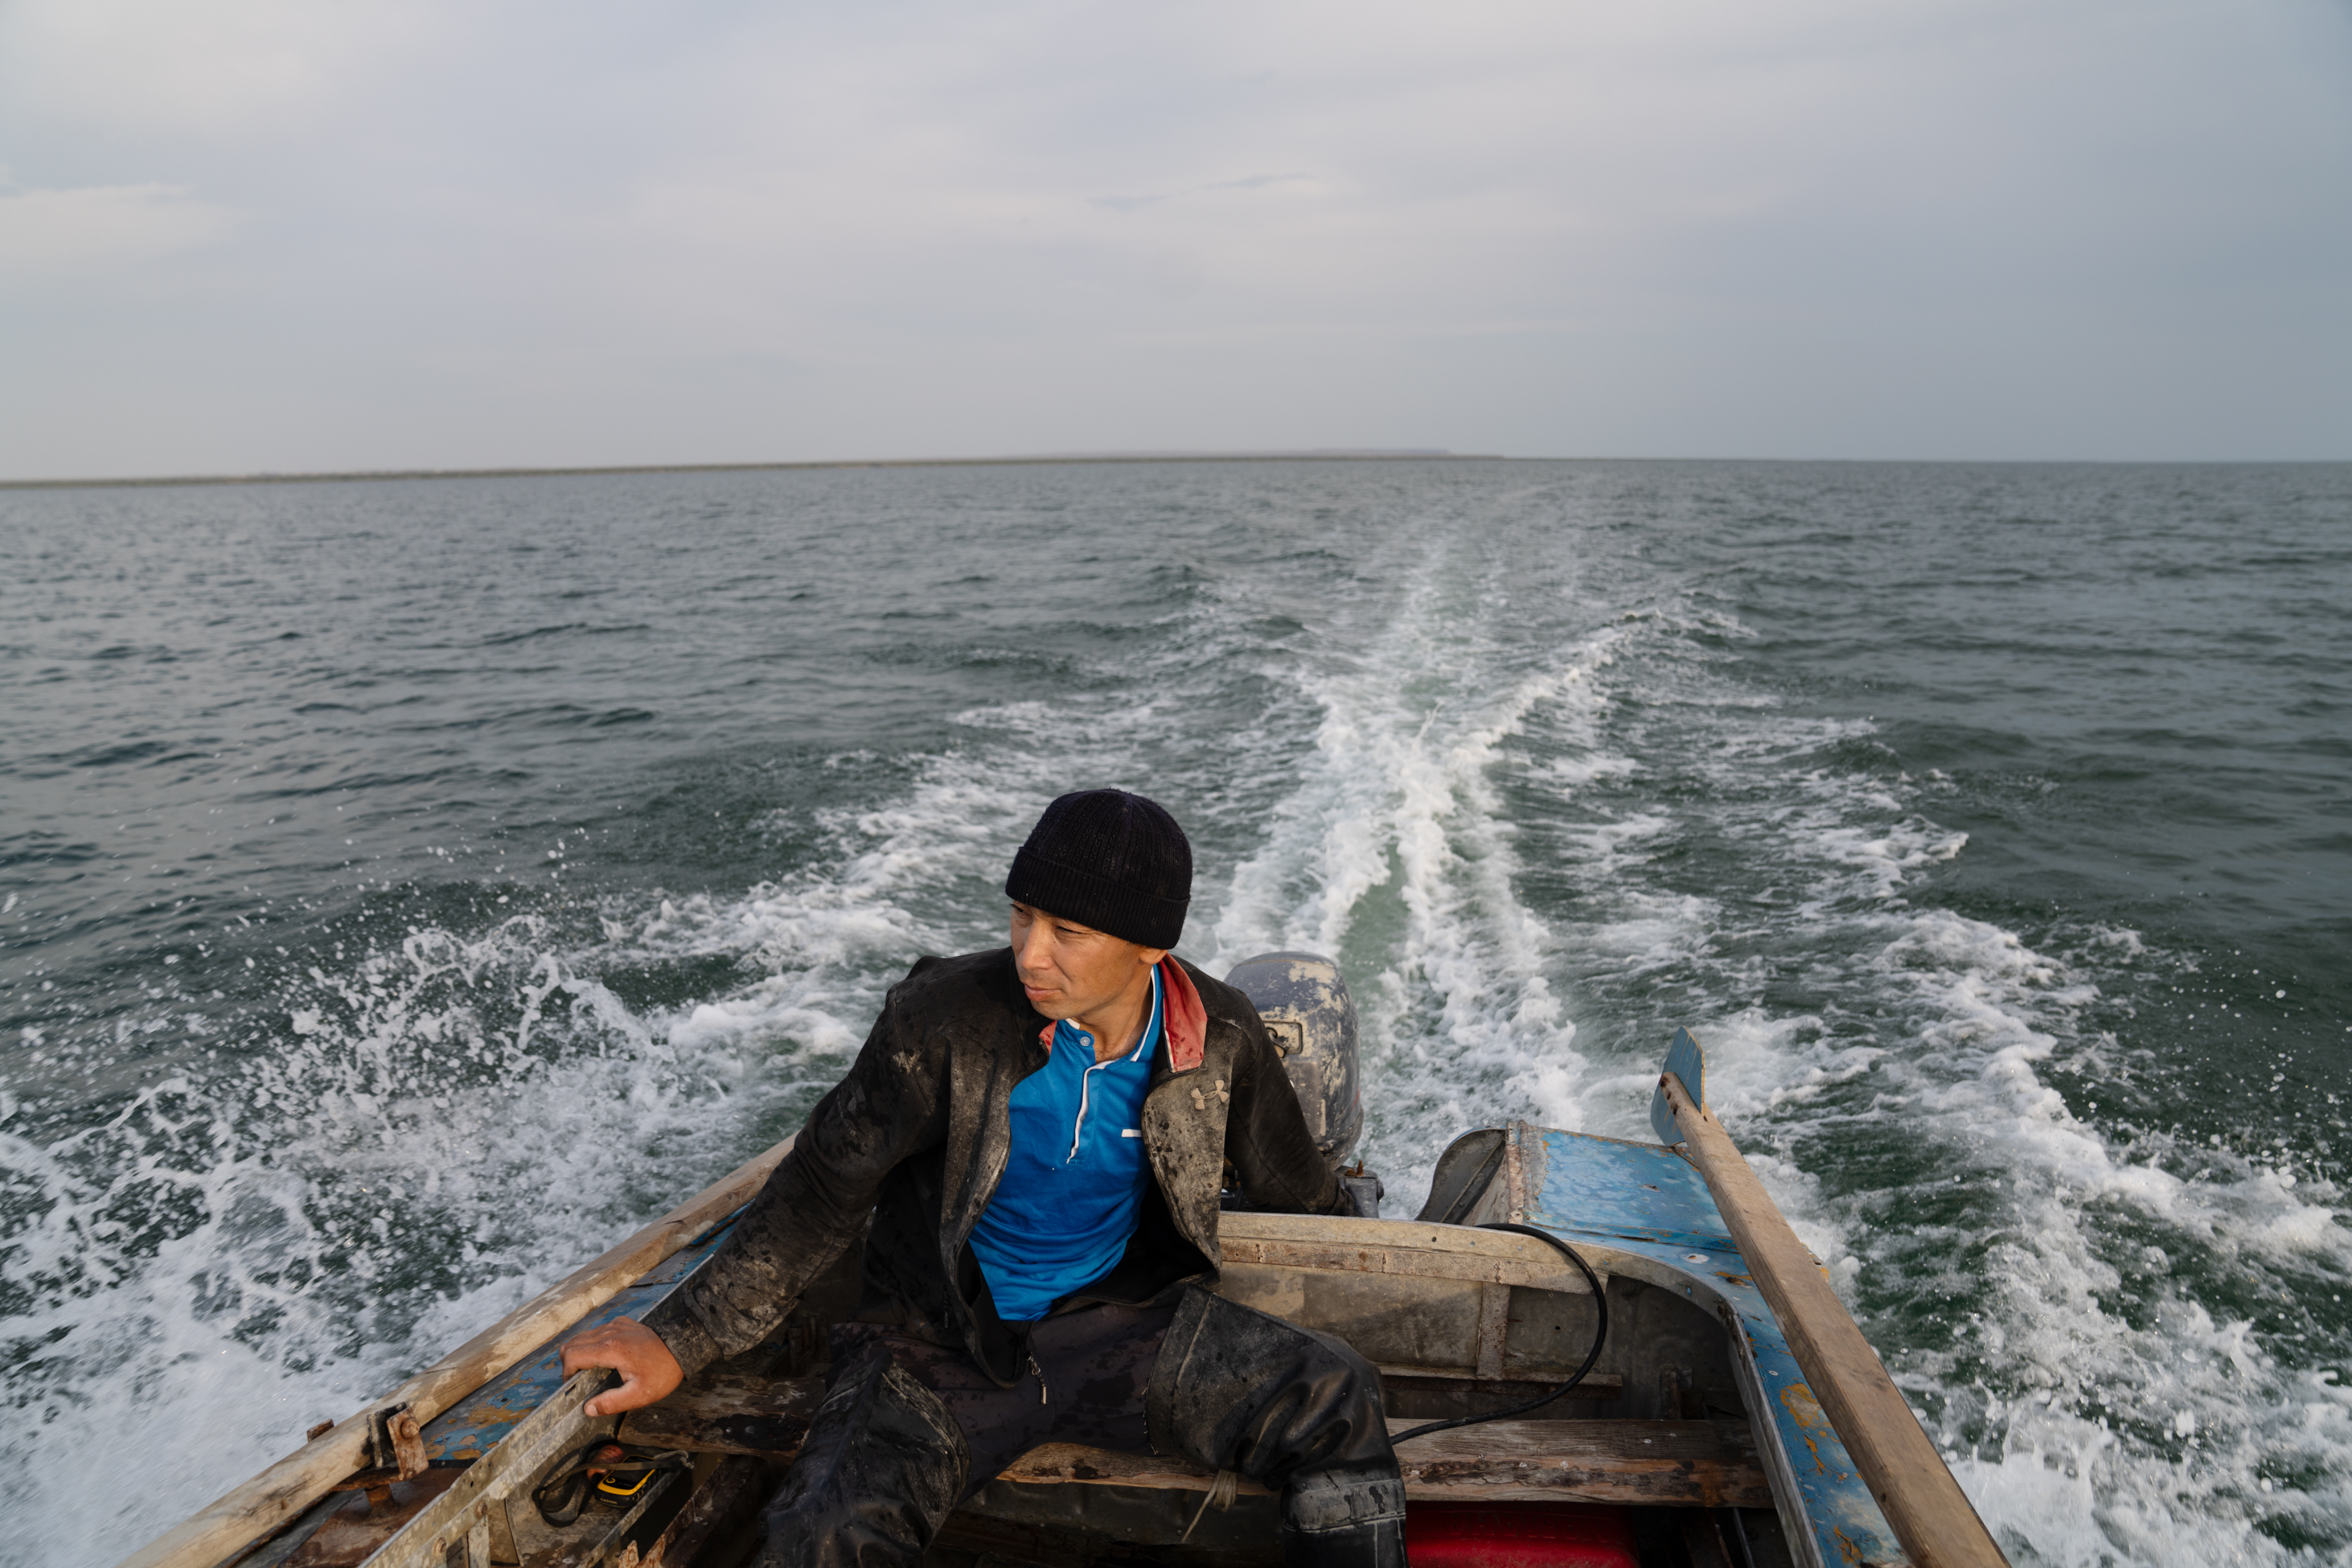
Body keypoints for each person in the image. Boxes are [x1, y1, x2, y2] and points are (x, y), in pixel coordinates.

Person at [561, 789, 1406, 1567]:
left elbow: (1291, 1178)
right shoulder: (940, 1021)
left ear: (1150, 946)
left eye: (1066, 932)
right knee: (823, 1535)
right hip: (936, 1345)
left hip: (1121, 1327)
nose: (1031, 953)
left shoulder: (1218, 1034)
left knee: (1333, 1392)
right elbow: (820, 1189)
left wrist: (1376, 1253)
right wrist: (679, 1337)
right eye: (1021, 914)